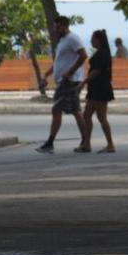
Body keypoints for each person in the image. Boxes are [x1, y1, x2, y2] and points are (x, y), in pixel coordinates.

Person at [37, 15, 88, 154]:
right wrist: (46, 75)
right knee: (74, 111)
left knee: (61, 110)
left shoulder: (73, 38)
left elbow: (83, 55)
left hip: (70, 81)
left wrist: (70, 72)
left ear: (65, 26)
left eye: (58, 27)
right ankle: (85, 141)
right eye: (55, 27)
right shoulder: (62, 41)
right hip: (64, 82)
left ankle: (50, 143)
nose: (56, 29)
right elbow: (58, 63)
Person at [77, 29, 116, 153]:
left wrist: (84, 82)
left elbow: (96, 71)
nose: (90, 41)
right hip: (95, 89)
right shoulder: (101, 52)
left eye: (92, 38)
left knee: (101, 117)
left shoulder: (102, 54)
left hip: (100, 89)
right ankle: (86, 144)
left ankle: (110, 144)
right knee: (87, 115)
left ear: (98, 39)